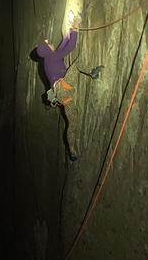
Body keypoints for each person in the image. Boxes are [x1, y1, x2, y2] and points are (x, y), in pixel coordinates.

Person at [36, 16, 104, 161]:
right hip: (63, 87)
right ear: (47, 50)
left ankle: (72, 149)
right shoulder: (51, 58)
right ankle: (92, 73)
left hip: (62, 96)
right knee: (77, 64)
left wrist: (69, 33)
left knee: (72, 121)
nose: (51, 44)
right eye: (48, 45)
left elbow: (62, 47)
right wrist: (75, 27)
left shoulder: (49, 59)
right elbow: (70, 47)